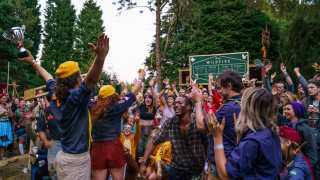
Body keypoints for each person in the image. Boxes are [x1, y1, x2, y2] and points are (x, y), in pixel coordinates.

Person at [20, 33, 110, 180]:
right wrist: (100, 58)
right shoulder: (75, 98)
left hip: (64, 156)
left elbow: (47, 77)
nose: (82, 77)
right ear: (76, 79)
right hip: (76, 162)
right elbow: (92, 79)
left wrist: (33, 62)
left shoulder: (57, 92)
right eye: (80, 75)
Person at [212, 87, 282, 179]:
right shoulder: (271, 133)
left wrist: (217, 138)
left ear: (248, 109)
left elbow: (225, 175)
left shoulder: (252, 142)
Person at [140, 95, 207, 180]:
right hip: (177, 168)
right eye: (175, 103)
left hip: (197, 170)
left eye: (180, 103)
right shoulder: (170, 122)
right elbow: (154, 140)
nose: (176, 105)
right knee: (152, 177)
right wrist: (143, 163)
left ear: (189, 107)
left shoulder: (198, 122)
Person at [90, 81, 141, 180]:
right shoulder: (118, 106)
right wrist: (140, 79)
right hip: (114, 146)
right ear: (113, 96)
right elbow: (132, 93)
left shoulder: (92, 106)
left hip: (97, 148)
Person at [196, 70, 242, 178]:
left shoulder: (228, 108)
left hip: (222, 164)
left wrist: (198, 102)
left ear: (229, 86)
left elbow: (202, 126)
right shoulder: (244, 103)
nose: (218, 91)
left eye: (220, 88)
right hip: (235, 161)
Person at [282, 102, 318, 167]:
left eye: (288, 109)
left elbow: (312, 152)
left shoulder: (305, 129)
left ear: (296, 111)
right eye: (284, 109)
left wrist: (306, 167)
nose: (285, 111)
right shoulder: (286, 126)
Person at [35, 95, 62, 179]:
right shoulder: (44, 112)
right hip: (55, 144)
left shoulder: (66, 107)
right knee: (54, 170)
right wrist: (45, 141)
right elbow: (40, 128)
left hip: (70, 143)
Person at [0, 94, 13, 159]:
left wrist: (9, 108)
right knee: (2, 140)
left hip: (7, 124)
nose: (4, 99)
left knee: (5, 140)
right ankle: (2, 155)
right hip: (1, 125)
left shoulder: (7, 106)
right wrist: (3, 112)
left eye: (5, 98)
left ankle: (2, 155)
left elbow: (11, 116)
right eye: (3, 98)